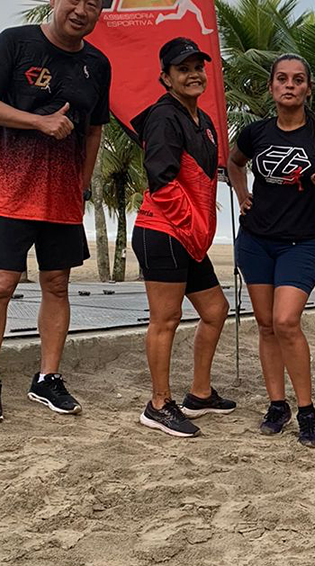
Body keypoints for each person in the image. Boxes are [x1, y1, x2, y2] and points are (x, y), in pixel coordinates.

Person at [0, 0, 111, 423]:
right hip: (12, 188)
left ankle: (47, 378)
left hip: (63, 194)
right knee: (0, 284)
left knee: (57, 284)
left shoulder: (98, 64)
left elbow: (94, 130)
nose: (81, 10)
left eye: (93, 4)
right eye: (74, 0)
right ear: (54, 1)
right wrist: (39, 122)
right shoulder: (15, 43)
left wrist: (82, 185)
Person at [227, 54, 315, 448]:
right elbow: (233, 162)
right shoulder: (255, 132)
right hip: (255, 241)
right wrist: (241, 193)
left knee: (285, 321)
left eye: (298, 80)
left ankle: (307, 410)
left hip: (302, 242)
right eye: (282, 79)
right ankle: (277, 405)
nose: (289, 85)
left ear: (308, 88)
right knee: (266, 324)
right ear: (271, 87)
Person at [130, 37, 235, 438]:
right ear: (166, 78)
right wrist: (194, 229)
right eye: (183, 69)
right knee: (166, 319)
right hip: (163, 232)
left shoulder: (203, 120)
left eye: (197, 67)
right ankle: (158, 405)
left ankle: (200, 394)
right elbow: (162, 183)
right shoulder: (163, 117)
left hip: (188, 236)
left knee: (215, 310)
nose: (193, 75)